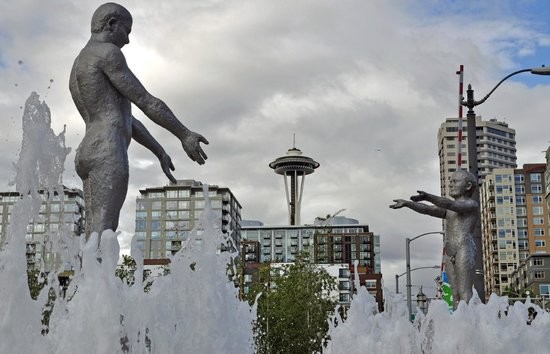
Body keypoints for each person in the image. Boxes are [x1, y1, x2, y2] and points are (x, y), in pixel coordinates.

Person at [69, 3, 208, 240]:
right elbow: (146, 101)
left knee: (93, 236)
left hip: (87, 151)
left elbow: (126, 119)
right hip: (108, 151)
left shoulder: (78, 64)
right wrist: (184, 134)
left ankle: (87, 278)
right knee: (104, 232)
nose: (128, 40)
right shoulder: (108, 53)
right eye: (127, 31)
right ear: (112, 24)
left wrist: (159, 151)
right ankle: (94, 277)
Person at [389, 170, 479, 308]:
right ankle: (458, 323)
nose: (451, 184)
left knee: (464, 292)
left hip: (464, 249)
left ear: (467, 186)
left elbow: (451, 205)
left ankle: (471, 325)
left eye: (455, 181)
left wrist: (428, 196)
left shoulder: (471, 205)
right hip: (450, 252)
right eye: (450, 181)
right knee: (454, 293)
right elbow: (428, 210)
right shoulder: (449, 210)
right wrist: (408, 204)